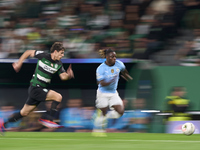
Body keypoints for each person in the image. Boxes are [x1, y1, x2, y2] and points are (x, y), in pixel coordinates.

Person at [0, 42, 74, 135]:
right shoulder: (43, 55)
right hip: (36, 88)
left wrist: (69, 75)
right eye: (61, 53)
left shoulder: (58, 63)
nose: (62, 55)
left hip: (39, 90)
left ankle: (3, 124)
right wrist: (19, 63)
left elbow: (63, 77)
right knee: (58, 96)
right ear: (55, 51)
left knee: (24, 113)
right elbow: (28, 52)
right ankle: (48, 119)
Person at [92, 48, 132, 137]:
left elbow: (124, 71)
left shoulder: (119, 64)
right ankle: (97, 130)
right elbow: (101, 83)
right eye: (112, 57)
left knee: (120, 112)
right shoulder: (100, 68)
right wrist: (111, 81)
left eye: (115, 56)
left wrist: (128, 77)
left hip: (113, 92)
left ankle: (105, 115)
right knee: (103, 111)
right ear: (106, 57)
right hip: (102, 93)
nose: (114, 58)